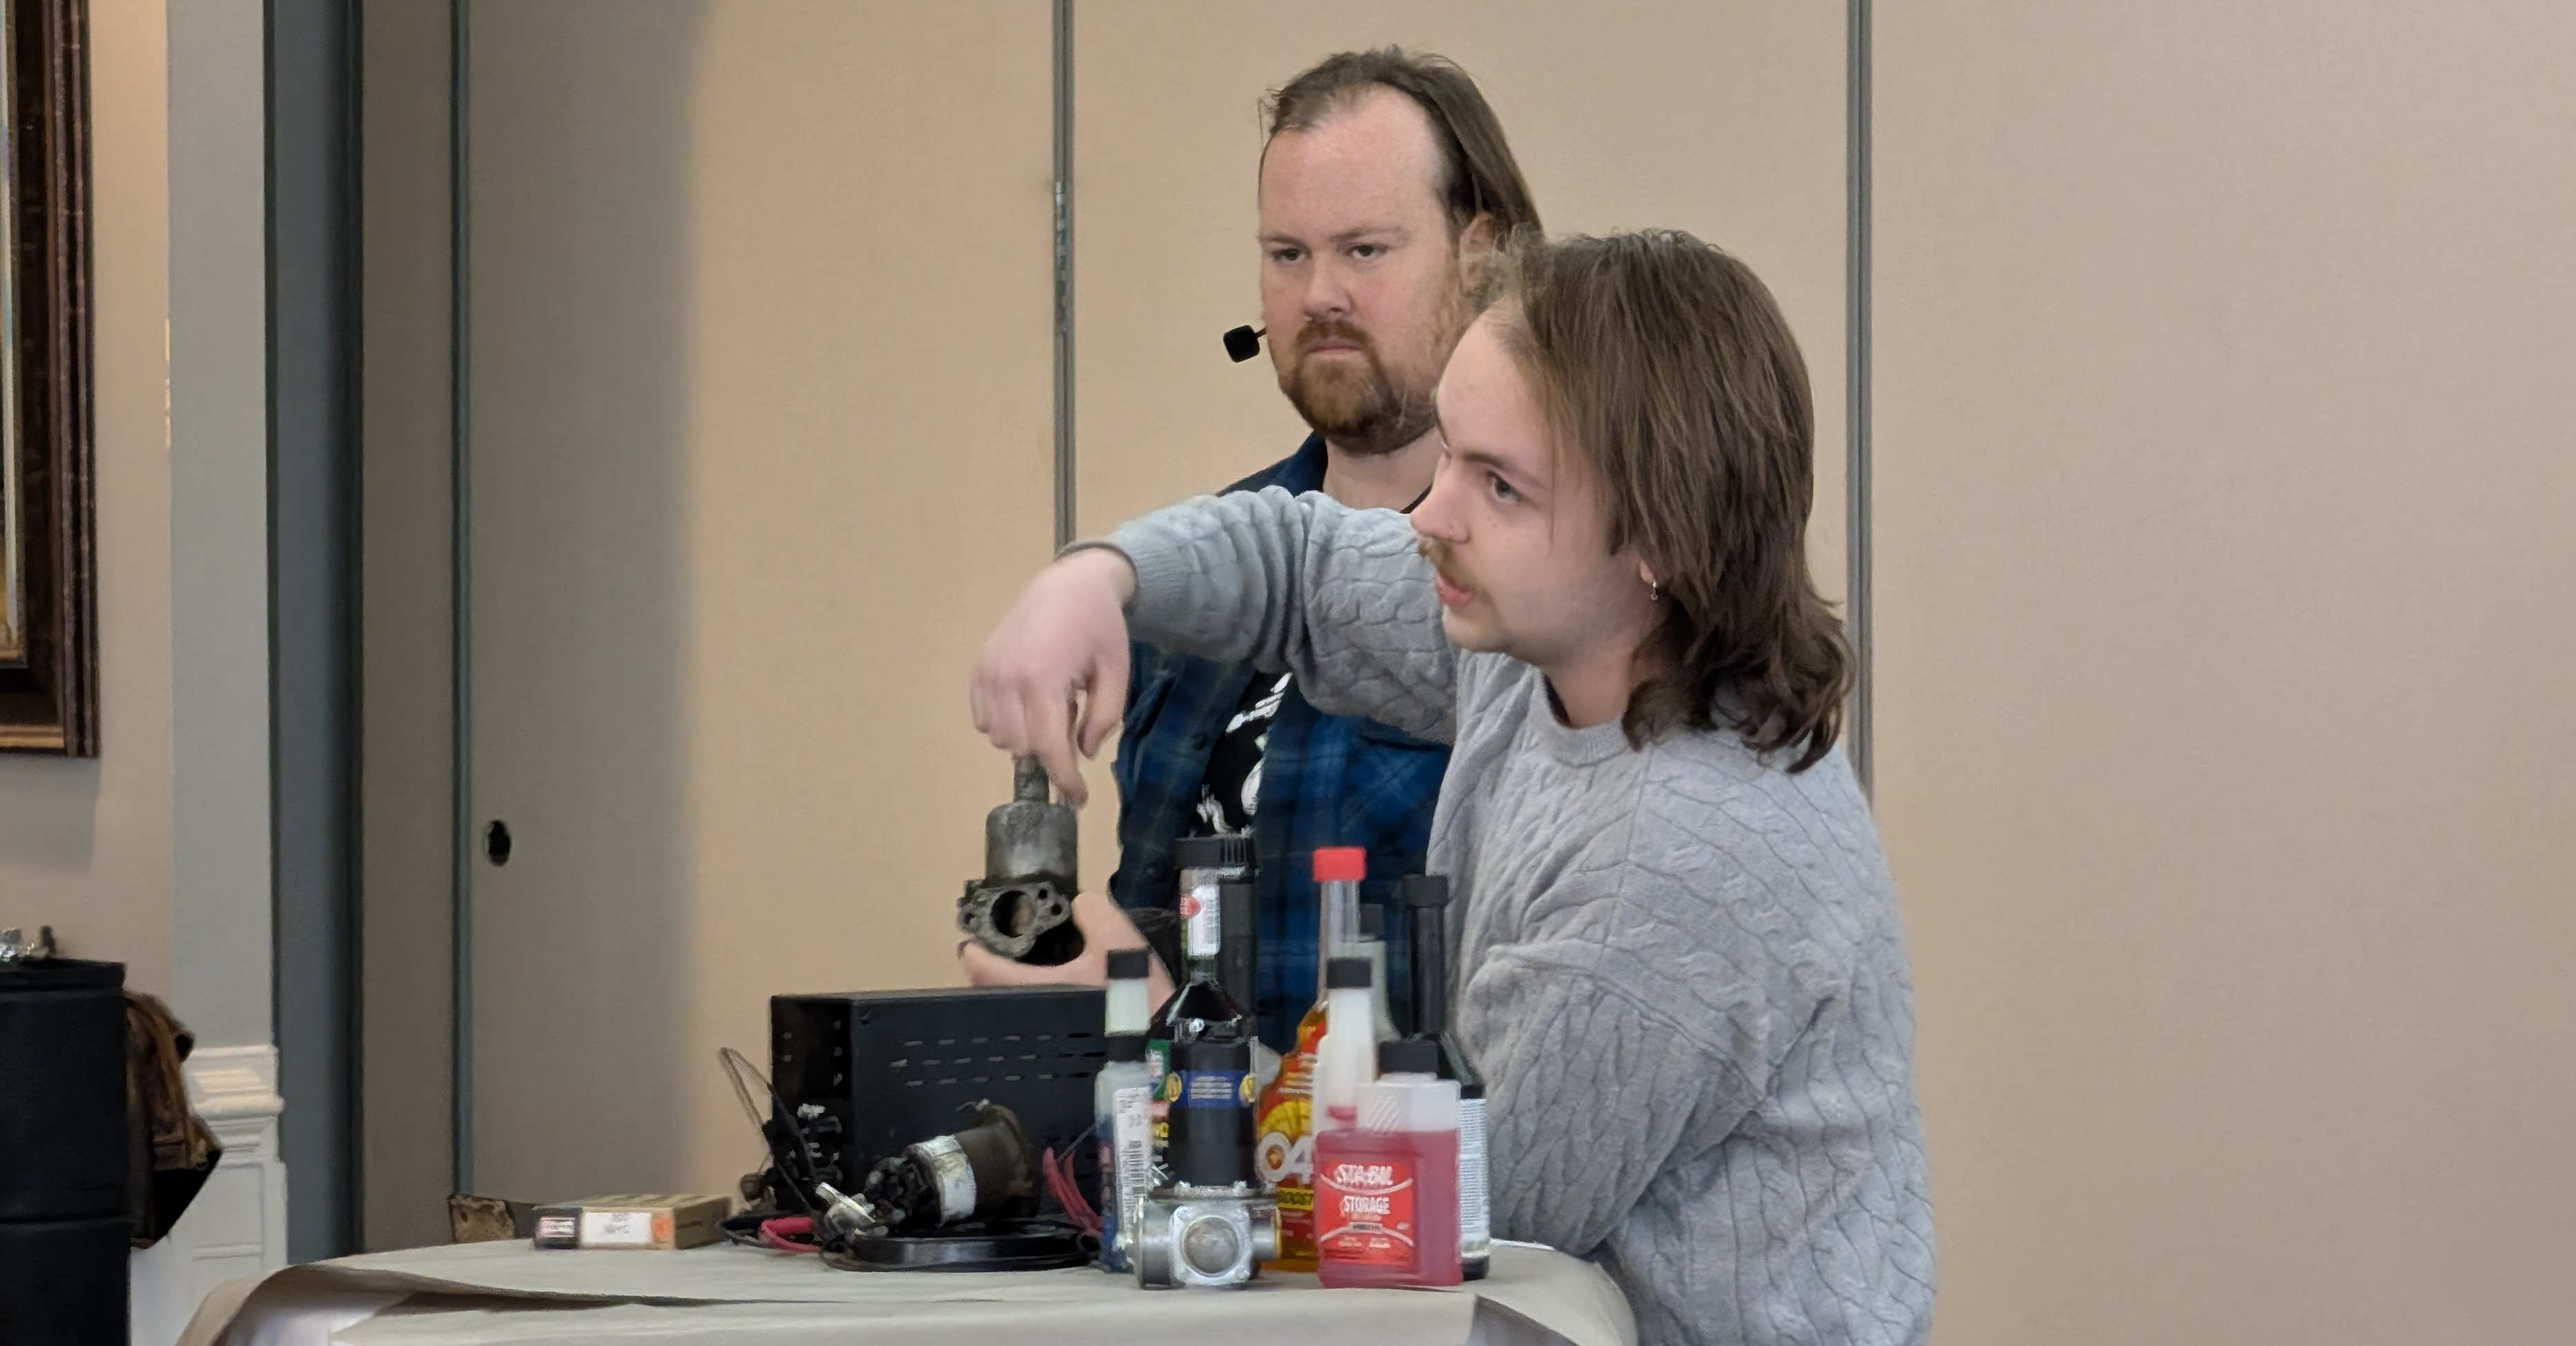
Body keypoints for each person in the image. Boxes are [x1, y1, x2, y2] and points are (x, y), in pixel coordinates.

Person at [970, 230, 1934, 1344]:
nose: (1431, 515)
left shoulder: (1668, 865)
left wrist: (1158, 1018)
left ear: (1662, 538)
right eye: (1452, 456)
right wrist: (1097, 581)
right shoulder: (1551, 642)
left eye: (1501, 485)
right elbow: (1303, 565)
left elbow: (1447, 1221)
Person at [963, 48, 1543, 1052]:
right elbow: (1142, 938)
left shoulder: (1535, 589)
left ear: (1479, 257)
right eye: (1287, 254)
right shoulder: (1190, 583)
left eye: (1365, 250)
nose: (1320, 294)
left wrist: (1161, 1026)